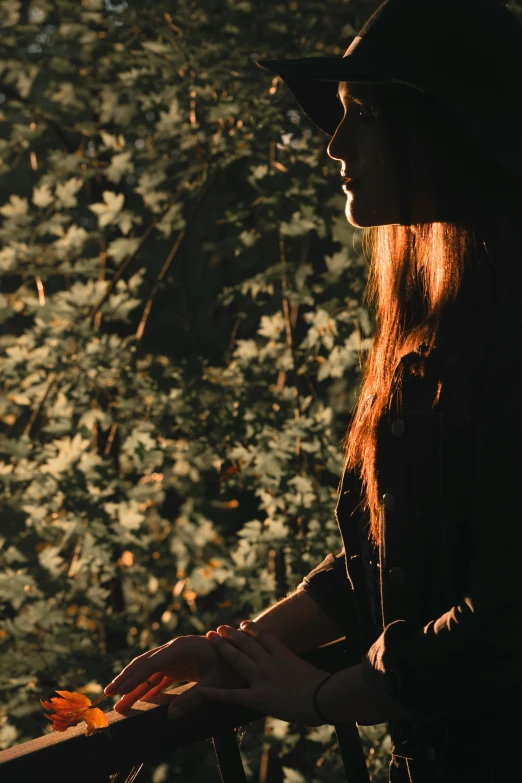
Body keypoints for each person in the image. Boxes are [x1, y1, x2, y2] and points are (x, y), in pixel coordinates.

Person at [104, 0, 522, 780]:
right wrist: (240, 649)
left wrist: (329, 695)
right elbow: (384, 556)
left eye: (361, 114)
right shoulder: (440, 332)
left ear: (445, 131)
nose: (334, 145)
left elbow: (505, 621)